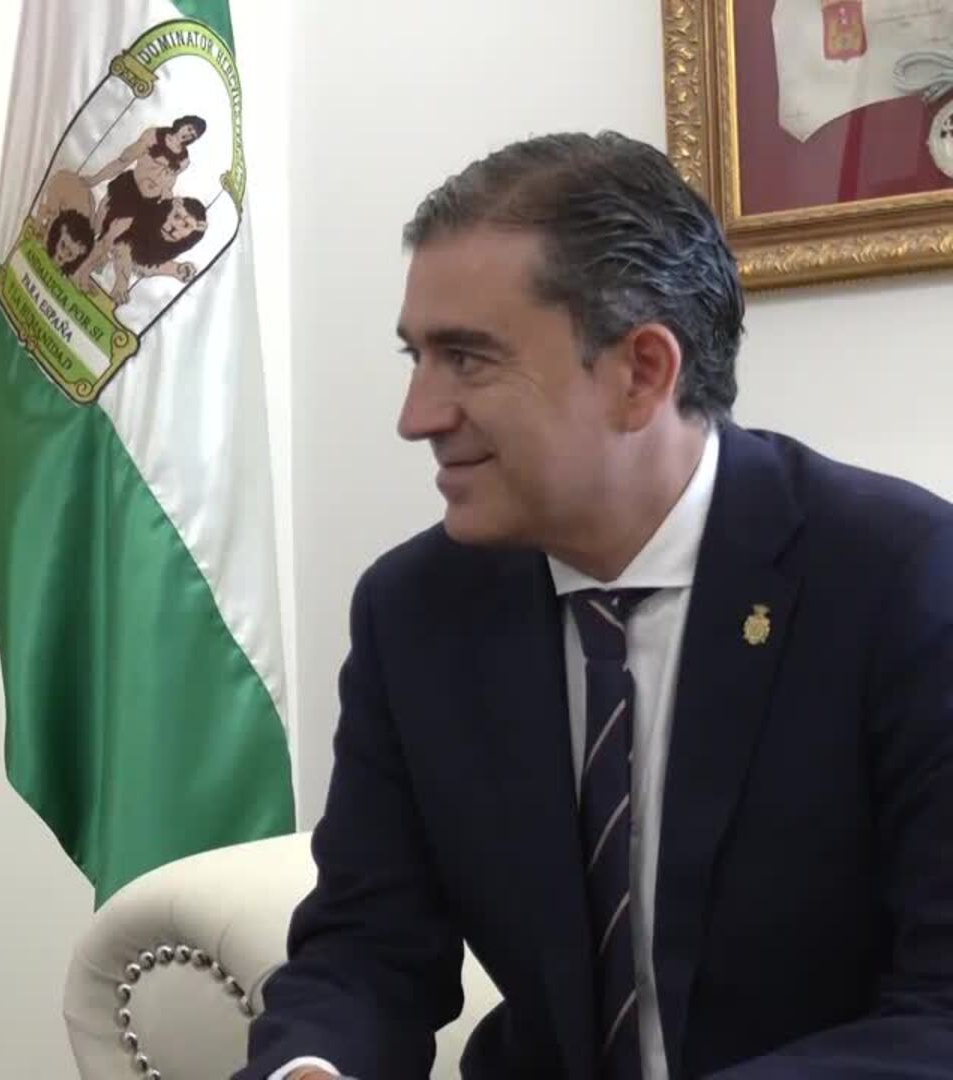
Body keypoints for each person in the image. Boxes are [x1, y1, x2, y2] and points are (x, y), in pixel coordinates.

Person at [243, 132, 953, 1079]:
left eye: (467, 359)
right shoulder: (416, 612)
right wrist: (312, 1070)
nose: (417, 416)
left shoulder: (902, 581)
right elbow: (367, 949)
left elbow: (941, 1013)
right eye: (417, 356)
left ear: (642, 373)